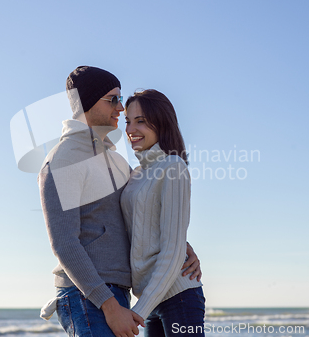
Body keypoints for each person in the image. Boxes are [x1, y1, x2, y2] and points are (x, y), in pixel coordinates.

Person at [38, 66, 201, 337]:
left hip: (121, 293)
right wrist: (109, 305)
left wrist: (180, 244)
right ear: (87, 102)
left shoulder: (118, 162)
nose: (120, 109)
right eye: (112, 99)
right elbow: (65, 243)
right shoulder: (62, 159)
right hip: (88, 297)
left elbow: (141, 214)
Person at [121, 89, 205, 337]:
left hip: (178, 296)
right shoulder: (135, 174)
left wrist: (140, 309)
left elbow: (171, 248)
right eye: (128, 121)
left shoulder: (173, 166)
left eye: (141, 121)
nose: (130, 129)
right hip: (151, 298)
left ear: (161, 123)